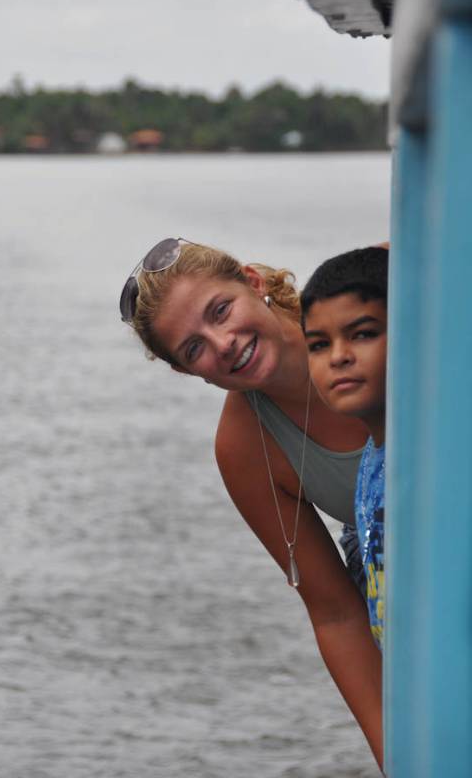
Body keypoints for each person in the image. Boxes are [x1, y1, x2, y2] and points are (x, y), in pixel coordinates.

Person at [120, 237, 383, 768]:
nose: (223, 342)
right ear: (185, 371)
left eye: (221, 311)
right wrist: (396, 756)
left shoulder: (364, 298)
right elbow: (334, 613)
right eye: (193, 348)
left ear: (252, 283)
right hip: (397, 563)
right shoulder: (245, 446)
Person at [301, 246, 388, 651]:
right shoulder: (373, 461)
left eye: (364, 334)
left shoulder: (440, 457)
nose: (339, 357)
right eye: (318, 344)